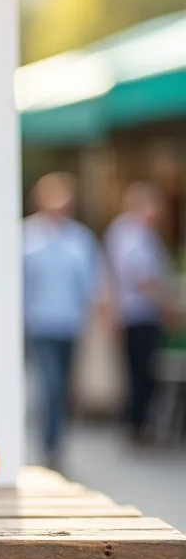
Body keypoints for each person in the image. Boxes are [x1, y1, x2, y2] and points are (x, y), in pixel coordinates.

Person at [22, 172, 105, 472]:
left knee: (64, 388)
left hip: (70, 325)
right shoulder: (27, 236)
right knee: (49, 385)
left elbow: (93, 285)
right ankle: (49, 444)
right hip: (39, 325)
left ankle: (58, 443)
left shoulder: (80, 238)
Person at [105, 181, 179, 445]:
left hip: (142, 315)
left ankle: (139, 424)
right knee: (141, 373)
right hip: (138, 316)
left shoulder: (142, 233)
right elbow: (140, 276)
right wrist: (168, 304)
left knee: (144, 373)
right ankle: (136, 426)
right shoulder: (130, 233)